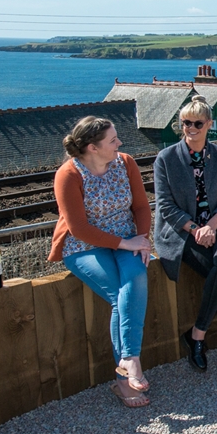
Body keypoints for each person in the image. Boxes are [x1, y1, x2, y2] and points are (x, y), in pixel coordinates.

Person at [50, 116, 153, 409]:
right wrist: (127, 243)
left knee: (136, 277)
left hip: (127, 237)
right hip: (84, 245)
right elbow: (79, 228)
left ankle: (128, 363)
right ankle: (127, 373)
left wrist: (142, 238)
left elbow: (141, 206)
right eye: (112, 140)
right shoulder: (68, 175)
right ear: (92, 148)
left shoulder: (125, 163)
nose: (119, 143)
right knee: (121, 294)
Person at [154, 95, 217, 378]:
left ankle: (197, 333)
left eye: (198, 123)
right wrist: (195, 229)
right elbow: (165, 205)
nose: (191, 128)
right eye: (186, 123)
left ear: (209, 124)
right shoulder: (166, 159)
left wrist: (211, 225)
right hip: (182, 232)